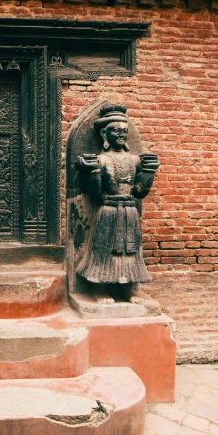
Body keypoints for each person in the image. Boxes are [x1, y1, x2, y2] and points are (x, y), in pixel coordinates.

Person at [75, 104, 159, 299]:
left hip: (129, 211)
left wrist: (148, 172)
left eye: (124, 131)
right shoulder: (101, 160)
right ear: (105, 133)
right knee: (103, 250)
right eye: (116, 130)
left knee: (130, 251)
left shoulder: (135, 161)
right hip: (108, 210)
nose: (121, 135)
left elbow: (139, 192)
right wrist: (93, 171)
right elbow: (95, 194)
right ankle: (99, 289)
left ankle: (128, 289)